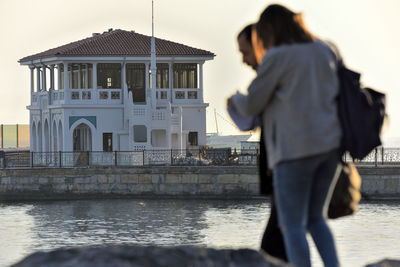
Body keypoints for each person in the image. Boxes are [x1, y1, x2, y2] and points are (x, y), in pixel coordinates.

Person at [228, 4, 342, 267]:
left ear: (268, 31)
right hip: (330, 147)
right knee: (316, 219)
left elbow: (251, 105)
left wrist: (234, 98)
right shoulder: (325, 49)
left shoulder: (279, 56)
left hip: (294, 151)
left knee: (291, 225)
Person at [237, 24, 287, 261]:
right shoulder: (289, 68)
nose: (244, 60)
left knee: (283, 233)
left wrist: (235, 99)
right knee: (305, 226)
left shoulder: (274, 69)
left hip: (289, 162)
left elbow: (249, 105)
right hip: (289, 161)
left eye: (245, 52)